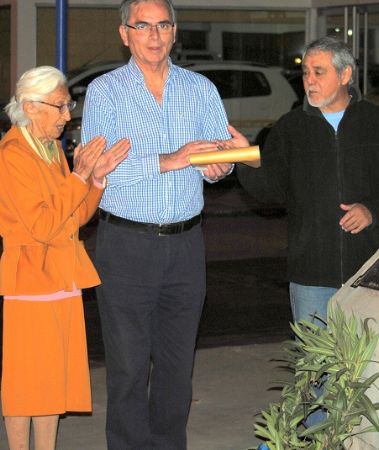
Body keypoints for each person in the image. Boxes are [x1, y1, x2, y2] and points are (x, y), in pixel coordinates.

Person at [80, 0, 240, 448]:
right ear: (124, 33)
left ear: (175, 31)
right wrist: (173, 160)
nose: (154, 35)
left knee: (176, 366)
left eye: (163, 25)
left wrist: (219, 168)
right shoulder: (105, 92)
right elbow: (99, 173)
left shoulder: (201, 88)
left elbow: (218, 157)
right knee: (129, 367)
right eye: (143, 26)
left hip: (187, 246)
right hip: (126, 245)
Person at [236, 36, 379, 326]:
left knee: (367, 365)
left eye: (318, 72)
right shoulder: (290, 128)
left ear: (345, 74)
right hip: (311, 274)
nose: (309, 80)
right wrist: (247, 160)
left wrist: (372, 210)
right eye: (306, 72)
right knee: (316, 366)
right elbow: (271, 190)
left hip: (370, 270)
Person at [0, 66, 129, 449]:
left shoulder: (51, 147)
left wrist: (95, 180)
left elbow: (73, 218)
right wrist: (78, 177)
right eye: (59, 106)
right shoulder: (12, 154)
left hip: (62, 275)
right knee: (27, 384)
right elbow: (42, 225)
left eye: (67, 105)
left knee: (51, 382)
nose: (67, 115)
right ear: (30, 107)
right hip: (30, 280)